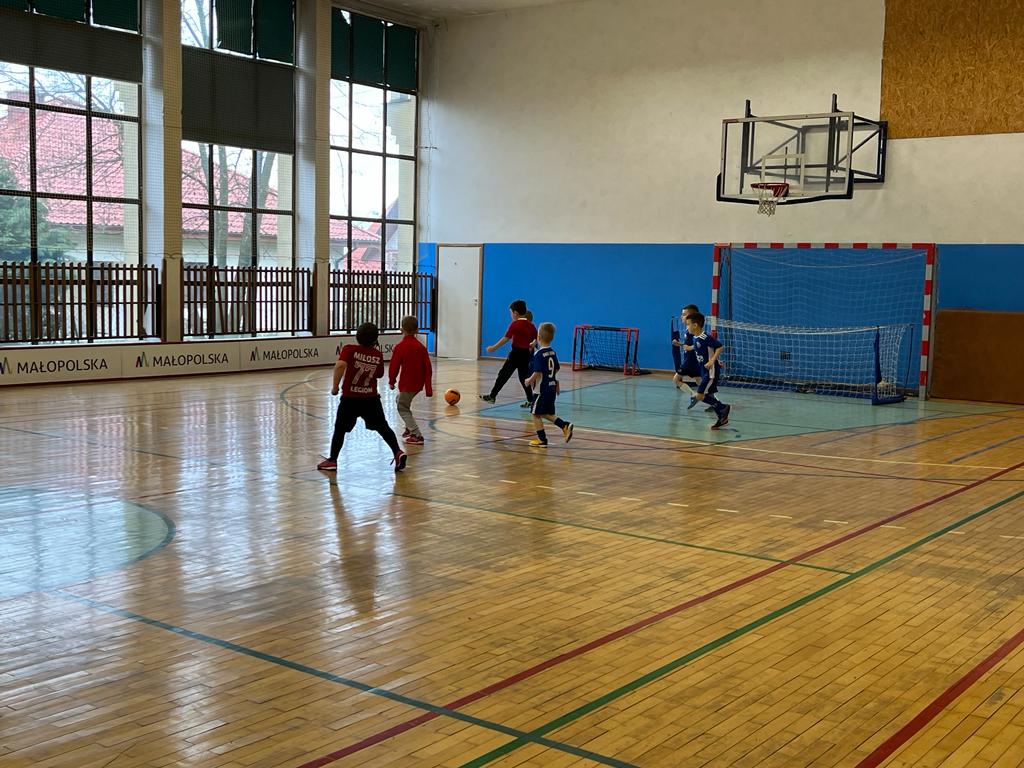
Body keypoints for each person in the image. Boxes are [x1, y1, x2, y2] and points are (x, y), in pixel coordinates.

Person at [317, 322, 408, 472]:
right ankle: (397, 452)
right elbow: (379, 374)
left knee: (340, 429)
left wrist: (335, 387)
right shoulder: (377, 355)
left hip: (350, 399)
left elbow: (340, 365)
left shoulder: (349, 349)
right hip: (371, 399)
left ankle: (332, 460)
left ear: (358, 336)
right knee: (383, 427)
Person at [523, 322, 574, 447]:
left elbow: (537, 371)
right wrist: (556, 381)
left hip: (541, 389)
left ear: (538, 337)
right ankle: (564, 425)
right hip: (551, 387)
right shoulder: (552, 352)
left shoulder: (538, 354)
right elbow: (556, 368)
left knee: (535, 414)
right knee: (545, 413)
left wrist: (529, 380)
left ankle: (542, 440)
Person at [480, 299, 537, 404]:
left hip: (515, 354)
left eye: (511, 313)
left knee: (503, 375)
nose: (511, 315)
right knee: (523, 378)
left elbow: (506, 338)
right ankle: (531, 401)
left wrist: (493, 347)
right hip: (525, 355)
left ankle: (492, 396)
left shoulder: (515, 324)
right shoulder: (531, 325)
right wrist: (533, 343)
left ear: (515, 313)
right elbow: (536, 338)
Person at [388, 315, 433, 446]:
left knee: (402, 407)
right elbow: (428, 368)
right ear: (417, 330)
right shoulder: (421, 347)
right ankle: (409, 427)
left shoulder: (400, 347)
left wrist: (391, 381)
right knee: (400, 400)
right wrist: (428, 388)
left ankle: (416, 434)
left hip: (407, 384)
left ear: (401, 329)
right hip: (418, 384)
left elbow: (394, 366)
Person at [685, 312, 731, 430]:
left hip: (710, 372)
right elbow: (701, 348)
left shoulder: (705, 337)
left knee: (700, 395)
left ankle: (723, 408)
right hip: (704, 371)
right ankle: (722, 418)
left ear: (695, 325)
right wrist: (689, 347)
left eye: (688, 324)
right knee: (709, 395)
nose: (687, 327)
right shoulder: (695, 337)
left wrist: (713, 361)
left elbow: (719, 346)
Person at [672, 303, 702, 409]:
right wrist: (680, 344)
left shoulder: (693, 331)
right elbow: (689, 345)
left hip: (690, 360)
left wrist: (689, 347)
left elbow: (699, 344)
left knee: (676, 380)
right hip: (693, 360)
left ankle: (693, 395)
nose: (681, 317)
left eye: (684, 315)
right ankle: (715, 402)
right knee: (700, 382)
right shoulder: (688, 329)